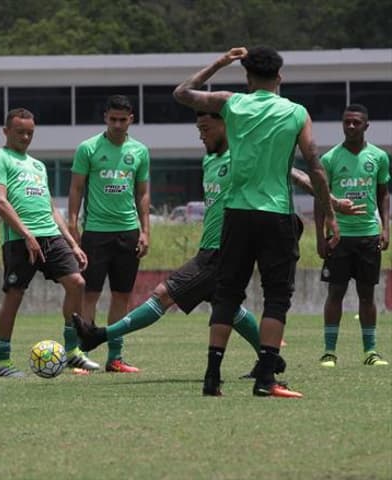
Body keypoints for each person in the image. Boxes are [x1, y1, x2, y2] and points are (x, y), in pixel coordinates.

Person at [72, 112, 359, 378]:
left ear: (224, 127)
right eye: (198, 129)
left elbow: (294, 175)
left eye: (206, 129)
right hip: (208, 246)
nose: (201, 135)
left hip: (224, 249)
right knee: (228, 308)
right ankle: (270, 358)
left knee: (163, 295)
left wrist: (331, 201)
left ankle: (99, 336)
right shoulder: (209, 159)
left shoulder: (243, 155)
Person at [172, 46, 338, 398]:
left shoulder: (232, 103)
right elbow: (315, 166)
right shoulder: (295, 112)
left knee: (228, 294)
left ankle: (212, 377)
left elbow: (182, 92)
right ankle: (266, 378)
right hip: (275, 214)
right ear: (279, 78)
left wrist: (219, 62)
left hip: (236, 213)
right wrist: (330, 214)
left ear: (247, 78)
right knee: (277, 296)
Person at [0, 107, 97, 378]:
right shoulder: (0, 159)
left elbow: (51, 207)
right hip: (19, 240)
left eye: (30, 133)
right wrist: (27, 235)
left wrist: (72, 242)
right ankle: (2, 362)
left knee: (78, 283)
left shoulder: (38, 166)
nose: (25, 137)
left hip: (51, 236)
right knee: (15, 296)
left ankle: (72, 352)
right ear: (6, 132)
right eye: (20, 132)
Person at [68, 95, 150, 373]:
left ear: (131, 120)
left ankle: (115, 357)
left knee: (121, 296)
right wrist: (72, 225)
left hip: (128, 233)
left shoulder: (139, 151)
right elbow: (76, 188)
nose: (117, 124)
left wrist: (145, 231)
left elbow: (142, 193)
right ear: (105, 118)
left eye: (122, 120)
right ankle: (81, 355)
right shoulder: (88, 148)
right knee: (89, 295)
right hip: (96, 233)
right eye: (112, 119)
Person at [316, 104, 390, 368]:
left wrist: (385, 227)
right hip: (340, 237)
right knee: (335, 292)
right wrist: (319, 237)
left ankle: (370, 351)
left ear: (366, 126)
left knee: (367, 295)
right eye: (346, 122)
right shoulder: (330, 159)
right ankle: (329, 352)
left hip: (368, 234)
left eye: (356, 122)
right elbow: (320, 200)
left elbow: (383, 193)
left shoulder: (379, 157)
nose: (350, 126)